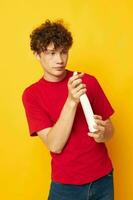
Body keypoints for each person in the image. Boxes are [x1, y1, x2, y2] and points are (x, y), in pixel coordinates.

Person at [22, 19, 115, 200]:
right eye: (51, 53)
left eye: (64, 52)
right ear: (37, 54)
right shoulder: (32, 95)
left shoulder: (88, 81)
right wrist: (71, 101)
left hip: (103, 179)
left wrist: (104, 133)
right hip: (66, 187)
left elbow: (110, 130)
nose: (59, 60)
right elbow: (55, 145)